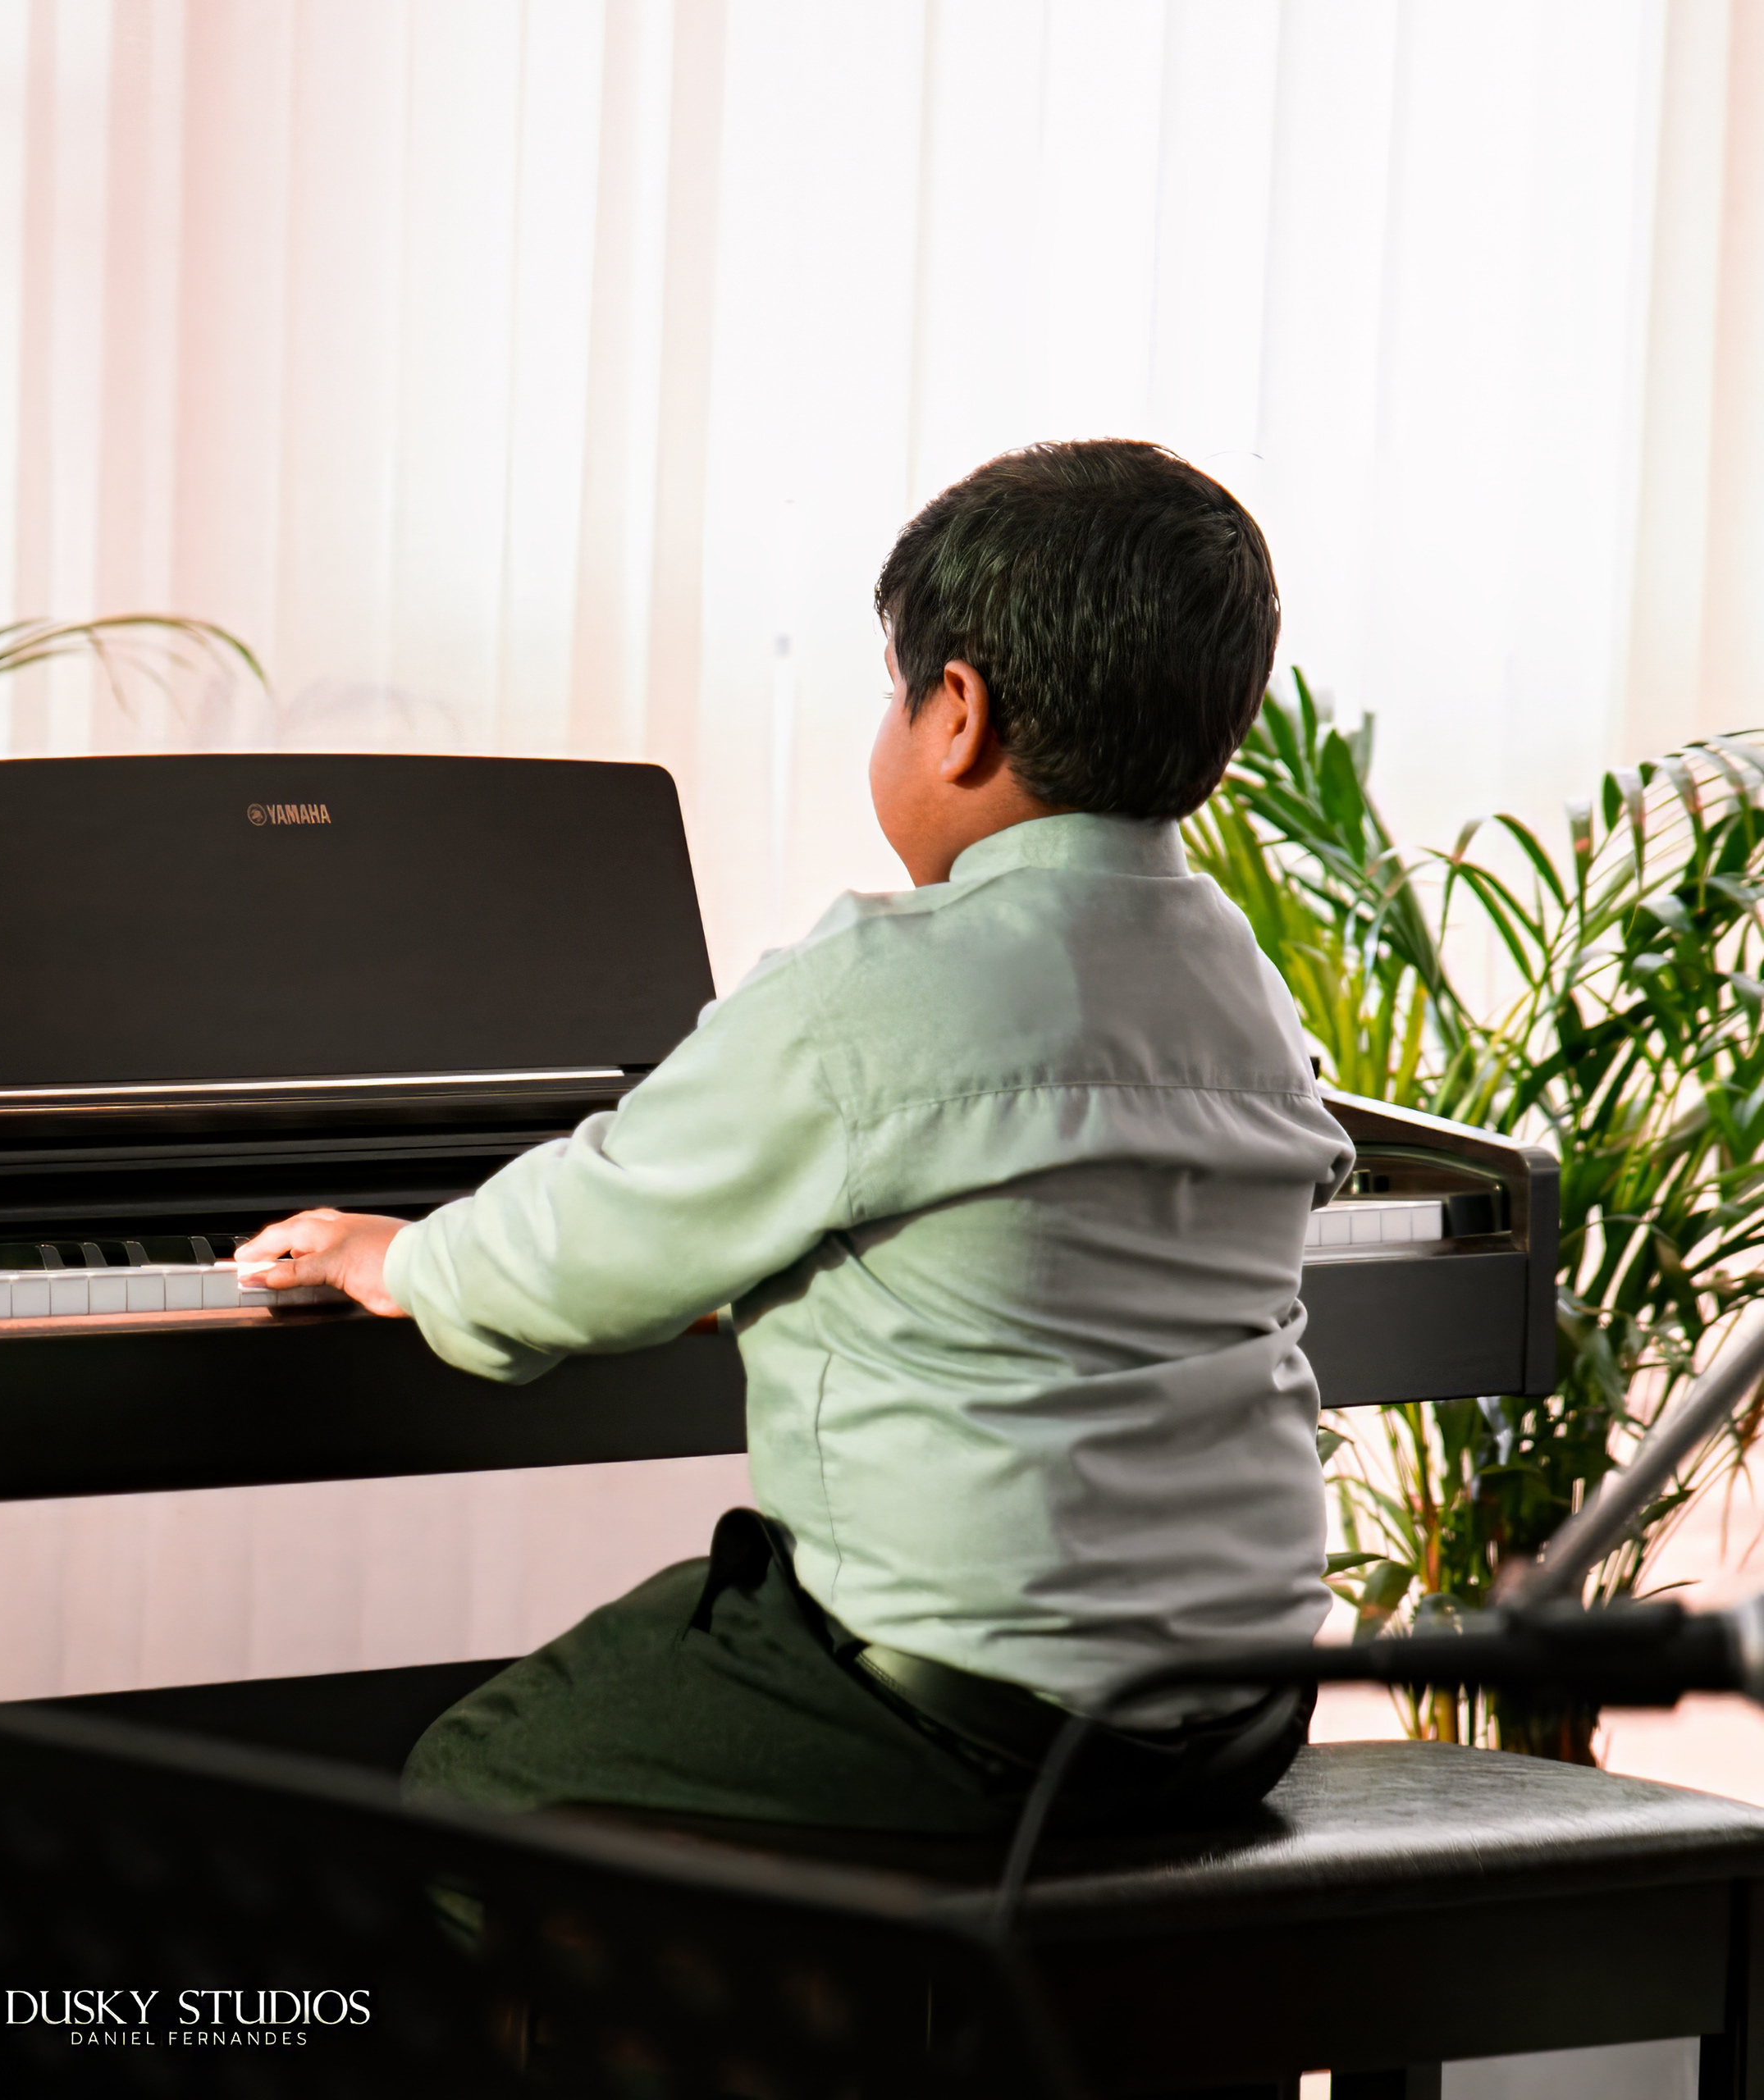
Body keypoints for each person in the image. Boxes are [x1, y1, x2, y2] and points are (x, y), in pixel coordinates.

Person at [236, 440, 1352, 1835]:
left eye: (895, 690)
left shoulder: (881, 985)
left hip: (980, 1721)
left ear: (957, 714)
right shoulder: (1242, 980)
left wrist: (399, 1258)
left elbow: (593, 1240)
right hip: (1236, 1715)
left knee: (475, 1778)